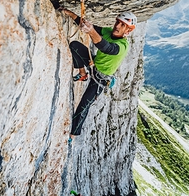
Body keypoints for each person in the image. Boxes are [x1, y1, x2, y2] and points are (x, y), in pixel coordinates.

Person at [58, 7, 137, 141]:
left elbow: (106, 47)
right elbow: (89, 26)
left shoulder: (122, 46)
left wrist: (92, 32)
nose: (117, 25)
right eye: (117, 22)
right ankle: (83, 74)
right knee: (75, 46)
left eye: (122, 25)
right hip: (94, 64)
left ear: (128, 30)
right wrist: (71, 14)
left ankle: (73, 134)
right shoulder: (108, 32)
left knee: (84, 104)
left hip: (100, 79)